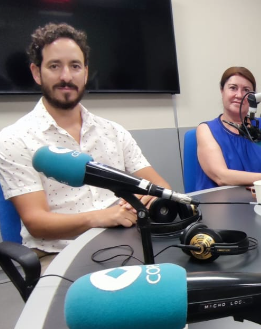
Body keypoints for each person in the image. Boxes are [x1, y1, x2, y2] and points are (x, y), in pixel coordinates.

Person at [0, 22, 169, 266]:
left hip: (127, 242)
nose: (66, 76)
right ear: (36, 73)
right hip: (58, 255)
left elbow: (160, 186)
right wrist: (103, 217)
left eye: (75, 66)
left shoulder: (113, 132)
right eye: (54, 66)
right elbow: (37, 223)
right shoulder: (14, 138)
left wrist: (147, 199)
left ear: (86, 72)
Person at [195, 66, 261, 191]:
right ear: (222, 91)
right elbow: (222, 177)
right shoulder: (206, 130)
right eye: (233, 88)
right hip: (222, 200)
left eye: (246, 90)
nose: (239, 95)